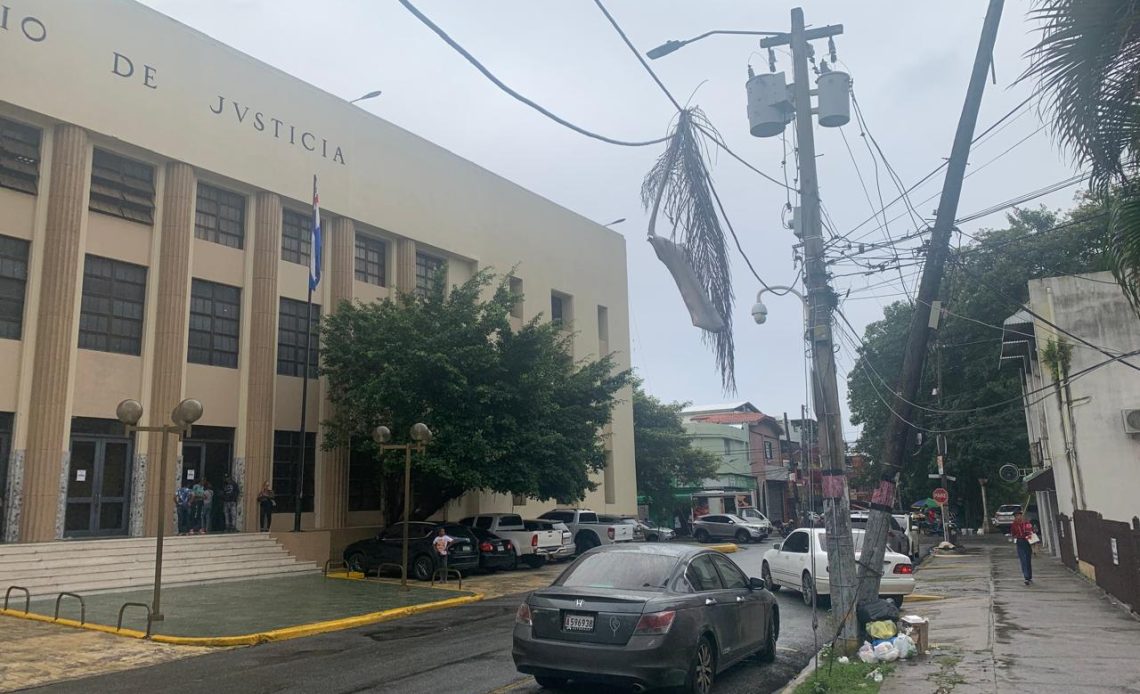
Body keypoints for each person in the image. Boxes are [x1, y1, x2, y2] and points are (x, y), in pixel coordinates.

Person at [1011, 510, 1035, 585]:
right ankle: (1026, 577)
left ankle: (1029, 576)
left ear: (1021, 516)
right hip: (1020, 542)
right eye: (1016, 516)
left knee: (1028, 559)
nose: (1017, 517)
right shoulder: (1013, 525)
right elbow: (1013, 534)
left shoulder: (1026, 523)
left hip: (1027, 541)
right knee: (1023, 560)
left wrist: (1033, 543)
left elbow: (1031, 532)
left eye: (1018, 515)